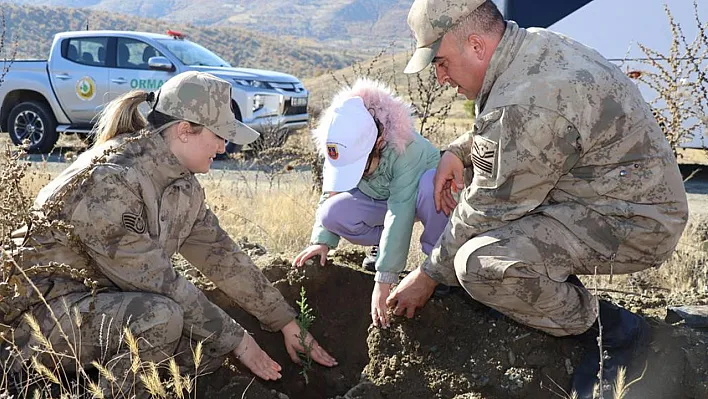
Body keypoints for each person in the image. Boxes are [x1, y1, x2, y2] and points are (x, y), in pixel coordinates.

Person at [386, 1, 689, 397]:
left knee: (479, 263)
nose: (441, 77)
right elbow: (511, 130)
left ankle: (617, 334)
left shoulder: (524, 102)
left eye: (441, 62)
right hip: (610, 195)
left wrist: (427, 276)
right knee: (491, 243)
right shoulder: (529, 47)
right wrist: (457, 152)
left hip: (635, 221)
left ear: (476, 45)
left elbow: (485, 209)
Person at [6, 71, 336, 397]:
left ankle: (91, 382)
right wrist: (239, 341)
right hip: (31, 322)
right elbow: (157, 280)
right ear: (184, 130)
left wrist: (285, 322)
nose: (223, 146)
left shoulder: (181, 185)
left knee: (204, 342)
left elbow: (222, 256)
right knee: (162, 318)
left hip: (94, 309)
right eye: (219, 135)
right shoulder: (109, 180)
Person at [292, 78, 449, 328]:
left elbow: (400, 212)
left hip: (419, 197)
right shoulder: (340, 137)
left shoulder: (407, 149)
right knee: (330, 214)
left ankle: (437, 267)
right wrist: (322, 241)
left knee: (433, 186)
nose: (359, 173)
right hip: (379, 200)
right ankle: (381, 246)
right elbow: (330, 193)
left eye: (360, 166)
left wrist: (384, 280)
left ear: (378, 142)